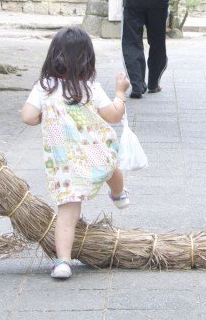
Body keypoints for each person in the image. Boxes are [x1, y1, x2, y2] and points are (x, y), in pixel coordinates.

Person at [21, 27, 131, 280]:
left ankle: (62, 262)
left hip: (64, 161)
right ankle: (119, 194)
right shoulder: (90, 86)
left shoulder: (45, 86)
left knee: (67, 213)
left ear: (53, 56)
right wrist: (120, 93)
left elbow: (28, 117)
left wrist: (44, 115)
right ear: (87, 59)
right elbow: (113, 115)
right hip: (93, 151)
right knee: (111, 167)